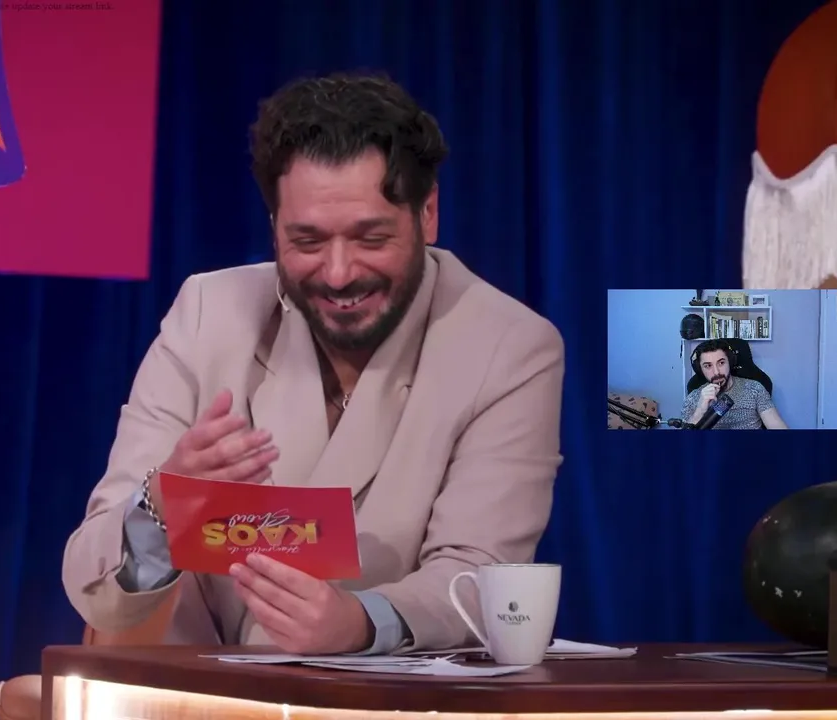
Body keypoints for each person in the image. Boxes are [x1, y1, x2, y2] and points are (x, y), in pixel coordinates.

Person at [61, 71, 566, 655]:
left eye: (371, 238)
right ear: (274, 228)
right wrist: (163, 504)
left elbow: (477, 571)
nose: (339, 273)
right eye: (307, 242)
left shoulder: (510, 348)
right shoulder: (207, 312)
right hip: (192, 687)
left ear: (427, 213)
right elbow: (92, 581)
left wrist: (359, 623)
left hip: (379, 695)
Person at [682, 339, 787, 429]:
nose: (716, 372)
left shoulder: (754, 389)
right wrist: (700, 410)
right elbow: (683, 441)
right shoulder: (694, 398)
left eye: (721, 363)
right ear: (700, 369)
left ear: (730, 362)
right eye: (708, 366)